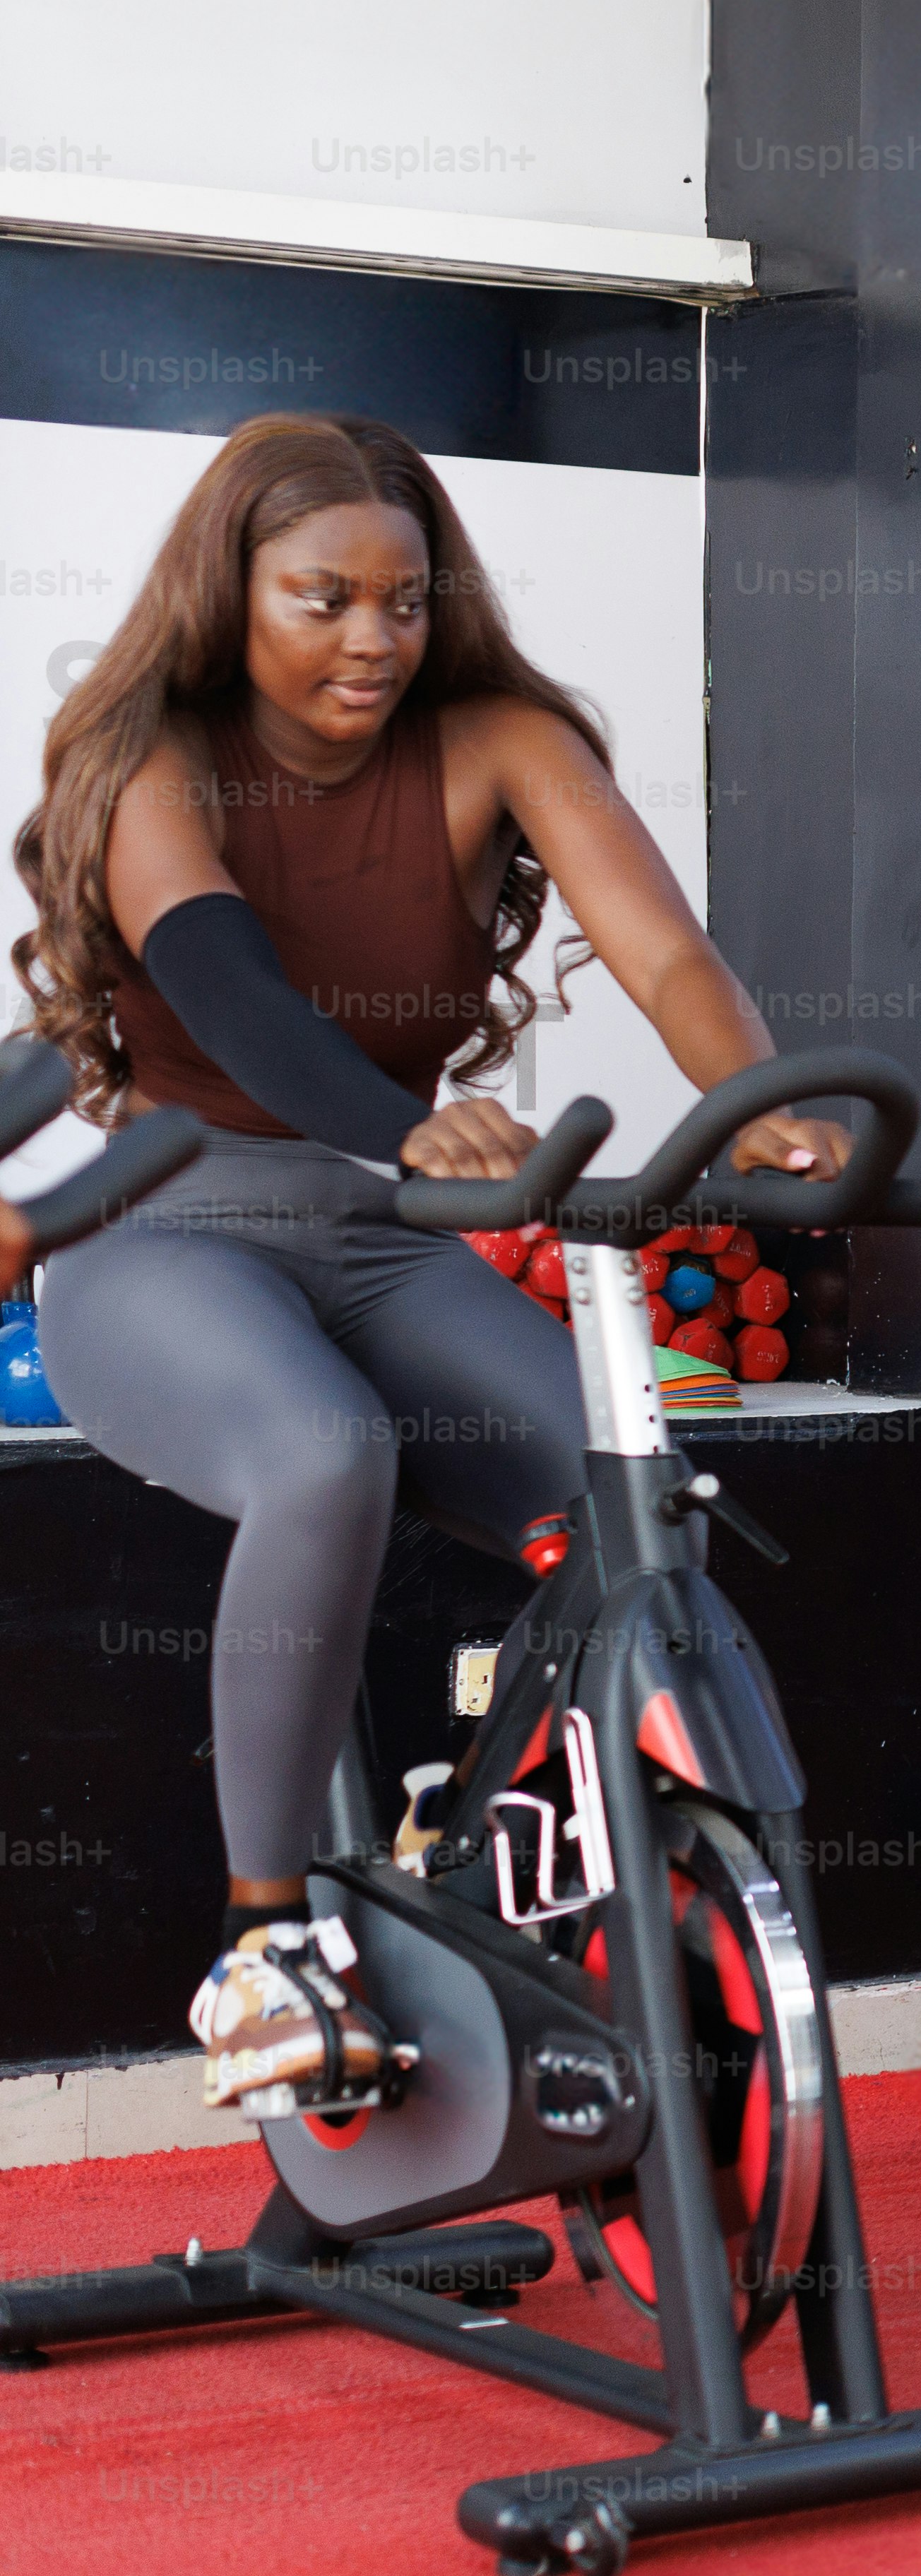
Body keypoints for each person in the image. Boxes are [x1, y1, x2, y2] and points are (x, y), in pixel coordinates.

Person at [4, 412, 849, 2115]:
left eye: (403, 602)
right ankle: (264, 1948)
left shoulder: (501, 742)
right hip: (164, 1233)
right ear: (228, 591)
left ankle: (487, 1851)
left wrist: (759, 1104)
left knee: (632, 1492)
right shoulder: (155, 757)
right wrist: (398, 1132)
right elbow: (233, 993)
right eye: (324, 599)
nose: (373, 640)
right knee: (329, 1455)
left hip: (393, 1250)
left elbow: (667, 944)